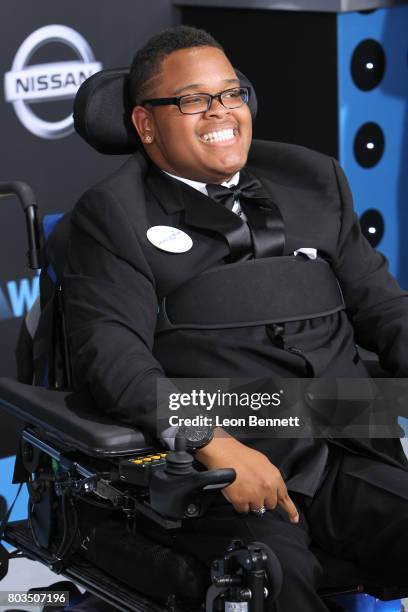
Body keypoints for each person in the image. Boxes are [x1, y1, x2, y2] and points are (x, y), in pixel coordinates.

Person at [63, 25, 408, 611]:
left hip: (342, 438)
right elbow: (113, 359)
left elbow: (383, 308)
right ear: (146, 125)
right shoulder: (111, 214)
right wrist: (208, 437)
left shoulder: (315, 178)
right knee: (271, 576)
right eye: (193, 100)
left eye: (230, 94)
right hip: (219, 467)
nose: (221, 112)